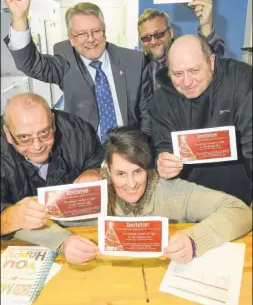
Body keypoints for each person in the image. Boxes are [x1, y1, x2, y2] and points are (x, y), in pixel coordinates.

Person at [3, 0, 152, 143]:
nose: (90, 39)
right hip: (86, 149)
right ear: (71, 38)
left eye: (96, 31)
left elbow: (147, 113)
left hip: (127, 148)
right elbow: (30, 64)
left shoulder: (133, 61)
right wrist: (20, 17)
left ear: (105, 31)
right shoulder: (66, 60)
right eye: (81, 34)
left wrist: (143, 148)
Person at [102, 127, 252, 263]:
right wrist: (76, 239)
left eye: (138, 171)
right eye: (121, 174)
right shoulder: (97, 193)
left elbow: (240, 211)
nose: (131, 184)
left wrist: (194, 240)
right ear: (108, 169)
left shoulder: (171, 191)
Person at [1, 93, 104, 264]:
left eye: (44, 132)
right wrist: (10, 217)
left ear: (53, 122)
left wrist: (93, 172)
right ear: (8, 133)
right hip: (20, 244)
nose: (37, 146)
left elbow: (98, 160)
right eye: (24, 138)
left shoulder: (77, 131)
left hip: (81, 233)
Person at [151, 34, 252, 206]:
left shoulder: (240, 79)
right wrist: (163, 164)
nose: (187, 82)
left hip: (241, 194)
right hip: (189, 198)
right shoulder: (161, 100)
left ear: (211, 62)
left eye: (194, 71)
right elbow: (164, 147)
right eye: (177, 74)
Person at [138, 0, 225, 90]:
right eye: (146, 38)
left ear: (171, 33)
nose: (153, 41)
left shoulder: (186, 55)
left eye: (159, 34)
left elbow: (215, 59)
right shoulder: (137, 65)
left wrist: (206, 25)